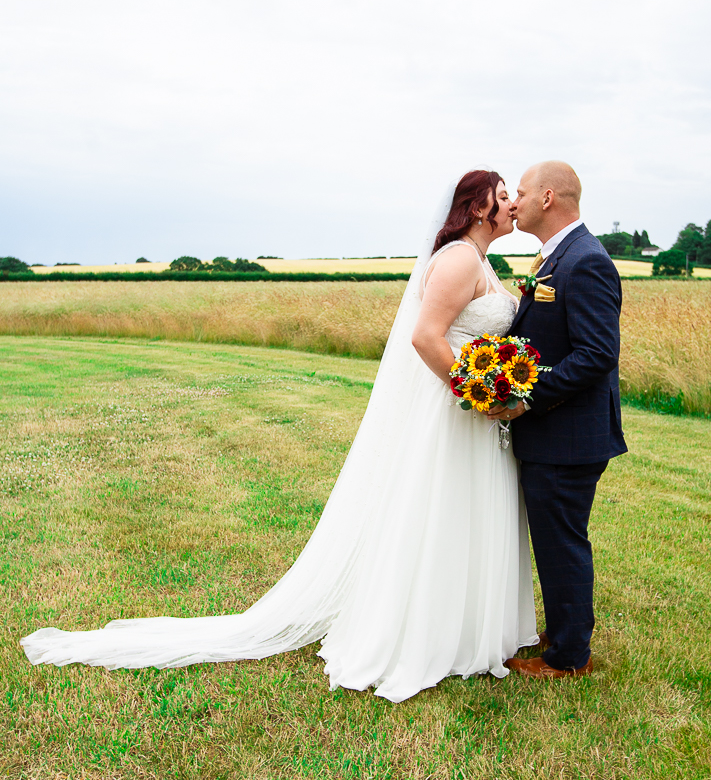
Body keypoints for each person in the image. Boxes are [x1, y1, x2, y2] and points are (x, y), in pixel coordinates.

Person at [21, 170, 538, 703]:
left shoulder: (481, 261)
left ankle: (469, 627)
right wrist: (478, 390)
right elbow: (425, 337)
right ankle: (427, 635)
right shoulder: (456, 259)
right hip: (452, 409)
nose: (511, 205)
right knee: (438, 513)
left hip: (471, 409)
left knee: (463, 512)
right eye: (503, 197)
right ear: (478, 207)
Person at [487, 161, 627, 679]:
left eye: (520, 193)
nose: (513, 202)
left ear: (547, 198)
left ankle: (568, 657)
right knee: (556, 537)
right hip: (555, 434)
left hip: (568, 435)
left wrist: (526, 398)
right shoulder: (555, 257)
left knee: (562, 541)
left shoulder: (585, 261)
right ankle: (566, 631)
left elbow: (596, 355)